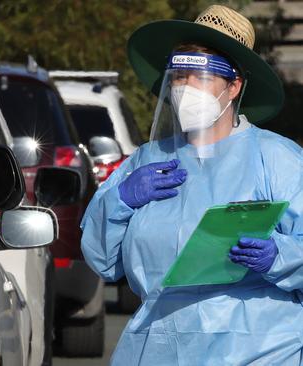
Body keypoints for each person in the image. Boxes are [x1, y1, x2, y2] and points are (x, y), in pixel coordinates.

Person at [80, 4, 303, 365]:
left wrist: (280, 256)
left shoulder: (276, 159)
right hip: (160, 346)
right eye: (179, 77)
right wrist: (119, 200)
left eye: (199, 78)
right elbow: (102, 260)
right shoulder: (147, 161)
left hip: (258, 348)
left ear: (233, 87)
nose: (185, 88)